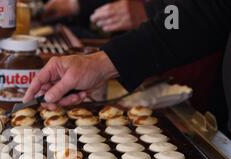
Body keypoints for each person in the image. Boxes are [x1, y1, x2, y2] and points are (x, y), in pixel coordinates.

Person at [24, 0, 231, 134]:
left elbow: (208, 12)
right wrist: (104, 61)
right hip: (162, 51)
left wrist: (147, 10)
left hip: (192, 66)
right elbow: (210, 11)